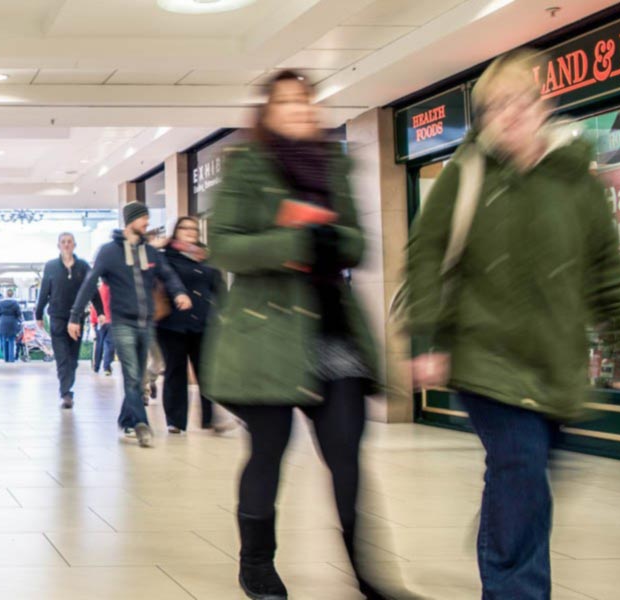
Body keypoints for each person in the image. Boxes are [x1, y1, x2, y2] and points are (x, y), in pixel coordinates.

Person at [405, 51, 620, 600]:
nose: (510, 115)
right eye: (495, 107)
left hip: (555, 361)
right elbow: (425, 256)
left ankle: (503, 534)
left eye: (521, 102)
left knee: (528, 481)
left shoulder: (577, 180)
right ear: (484, 119)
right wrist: (427, 337)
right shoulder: (465, 176)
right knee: (521, 469)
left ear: (541, 106)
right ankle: (516, 587)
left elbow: (607, 268)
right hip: (483, 356)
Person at [202, 70, 402, 600]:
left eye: (305, 100)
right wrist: (286, 242)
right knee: (268, 450)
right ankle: (257, 564)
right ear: (266, 112)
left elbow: (359, 242)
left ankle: (365, 572)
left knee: (346, 455)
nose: (297, 109)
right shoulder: (246, 166)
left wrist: (333, 237)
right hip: (265, 334)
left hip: (332, 332)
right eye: (285, 101)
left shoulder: (333, 163)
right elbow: (222, 245)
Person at [68, 202, 190, 448]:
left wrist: (179, 292)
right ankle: (141, 424)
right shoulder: (109, 252)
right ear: (130, 221)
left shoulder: (149, 252)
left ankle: (126, 420)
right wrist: (74, 316)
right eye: (143, 218)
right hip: (122, 322)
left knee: (138, 376)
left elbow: (167, 274)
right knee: (133, 375)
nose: (146, 222)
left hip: (146, 322)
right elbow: (90, 283)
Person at [157, 216, 226, 434]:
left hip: (202, 322)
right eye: (185, 228)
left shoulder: (204, 257)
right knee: (175, 371)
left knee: (205, 371)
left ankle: (208, 419)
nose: (190, 232)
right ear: (176, 231)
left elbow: (218, 286)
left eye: (194, 229)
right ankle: (176, 421)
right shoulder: (167, 256)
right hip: (173, 324)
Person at [36, 232, 105, 408]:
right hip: (57, 317)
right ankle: (66, 393)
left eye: (69, 242)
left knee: (73, 359)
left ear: (74, 245)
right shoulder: (51, 266)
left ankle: (67, 388)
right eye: (63, 242)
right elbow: (44, 291)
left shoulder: (82, 266)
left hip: (77, 318)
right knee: (62, 357)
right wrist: (38, 314)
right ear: (58, 245)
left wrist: (101, 311)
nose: (66, 245)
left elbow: (92, 290)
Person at [91, 282, 115, 375]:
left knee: (99, 344)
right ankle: (106, 367)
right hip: (111, 321)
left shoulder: (99, 290)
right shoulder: (114, 289)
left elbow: (94, 306)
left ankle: (96, 366)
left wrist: (93, 321)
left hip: (99, 321)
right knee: (109, 344)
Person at [0, 289, 24, 363]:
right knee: (11, 340)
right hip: (12, 322)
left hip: (3, 322)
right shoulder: (15, 303)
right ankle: (11, 358)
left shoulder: (1, 303)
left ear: (6, 294)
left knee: (4, 340)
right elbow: (19, 314)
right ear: (12, 294)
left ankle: (6, 358)